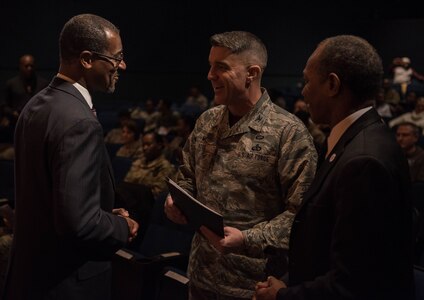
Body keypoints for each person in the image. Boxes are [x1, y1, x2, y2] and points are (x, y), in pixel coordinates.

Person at [254, 35, 414, 300]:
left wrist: (282, 296)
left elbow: (354, 284)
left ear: (332, 84)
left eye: (307, 81)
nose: (303, 90)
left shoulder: (363, 161)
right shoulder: (359, 139)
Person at [164, 31, 317, 299]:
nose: (210, 75)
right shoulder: (207, 121)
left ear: (252, 73)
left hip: (253, 286)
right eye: (210, 66)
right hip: (201, 276)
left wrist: (247, 238)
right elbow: (187, 176)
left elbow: (301, 216)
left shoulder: (288, 133)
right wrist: (175, 200)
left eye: (221, 67)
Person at [2, 14, 139, 300]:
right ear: (87, 59)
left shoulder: (35, 105)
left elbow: (52, 197)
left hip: (30, 275)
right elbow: (79, 223)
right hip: (66, 283)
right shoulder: (79, 122)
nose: (122, 65)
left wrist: (98, 211)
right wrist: (120, 226)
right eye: (116, 57)